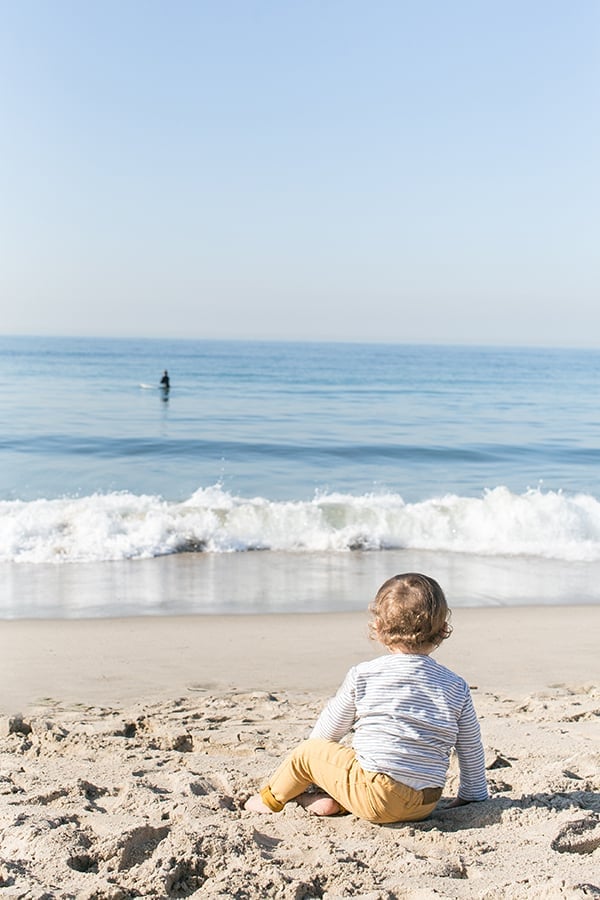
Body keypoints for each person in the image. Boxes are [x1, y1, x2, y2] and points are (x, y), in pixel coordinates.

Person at [244, 573, 488, 823]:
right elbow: (470, 747)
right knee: (366, 777)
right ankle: (328, 801)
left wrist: (313, 770)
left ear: (378, 628)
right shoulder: (456, 686)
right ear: (443, 629)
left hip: (376, 795)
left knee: (308, 753)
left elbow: (327, 734)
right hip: (425, 802)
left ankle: (267, 802)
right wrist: (473, 794)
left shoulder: (364, 675)